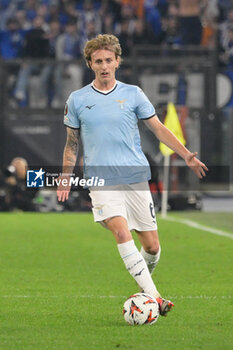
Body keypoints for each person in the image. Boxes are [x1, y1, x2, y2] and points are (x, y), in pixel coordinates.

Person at [57, 34, 208, 316]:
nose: (104, 66)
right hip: (101, 180)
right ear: (90, 64)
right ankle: (155, 298)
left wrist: (186, 154)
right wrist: (66, 175)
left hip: (136, 177)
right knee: (121, 231)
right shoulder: (77, 100)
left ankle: (143, 293)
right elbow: (72, 142)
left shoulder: (134, 93)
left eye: (108, 60)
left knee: (152, 246)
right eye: (98, 61)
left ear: (117, 62)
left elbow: (159, 129)